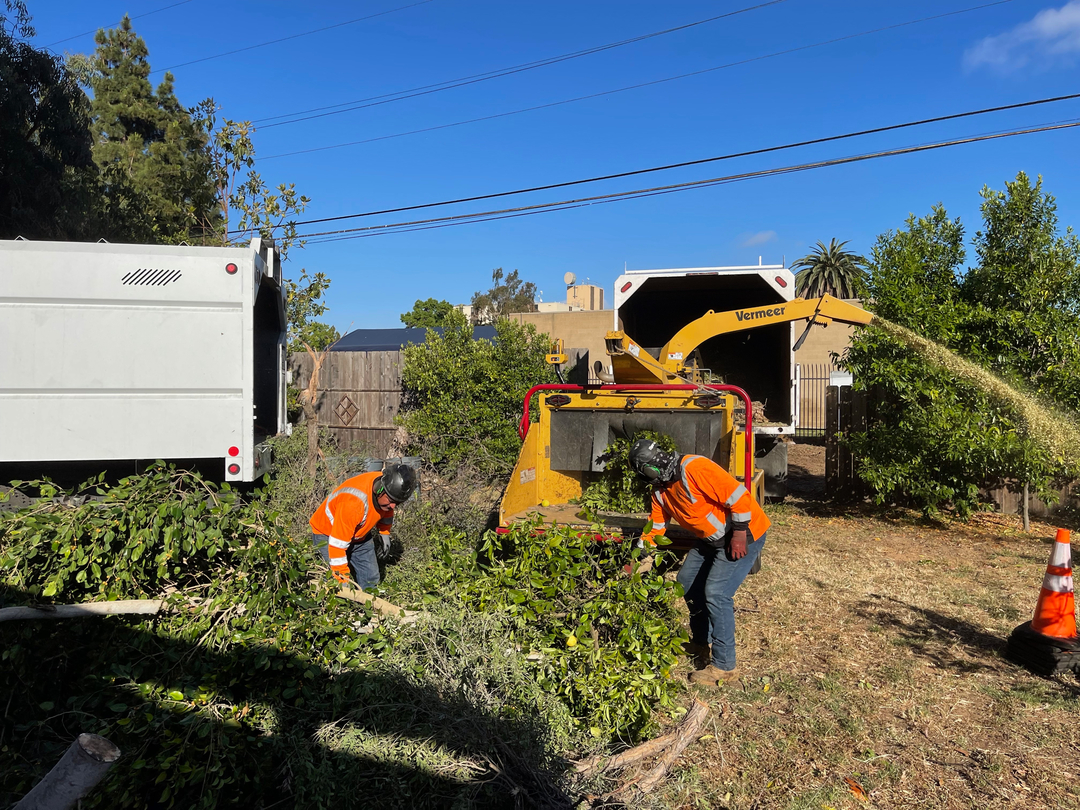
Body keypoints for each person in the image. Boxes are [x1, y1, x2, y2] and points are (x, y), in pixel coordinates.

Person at [630, 439, 769, 685]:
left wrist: (738, 534)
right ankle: (700, 642)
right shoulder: (660, 491)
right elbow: (656, 527)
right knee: (686, 582)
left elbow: (739, 496)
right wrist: (639, 555)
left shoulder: (694, 468)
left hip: (745, 533)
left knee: (716, 593)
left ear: (650, 468)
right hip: (712, 539)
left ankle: (725, 666)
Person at [309, 463, 417, 590]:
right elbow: (337, 546)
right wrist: (342, 579)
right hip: (327, 533)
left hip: (358, 532)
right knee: (333, 582)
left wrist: (384, 532)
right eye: (391, 501)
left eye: (397, 503)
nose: (393, 507)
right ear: (379, 490)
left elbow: (386, 511)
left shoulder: (388, 488)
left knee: (371, 578)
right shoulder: (353, 504)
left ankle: (369, 605)